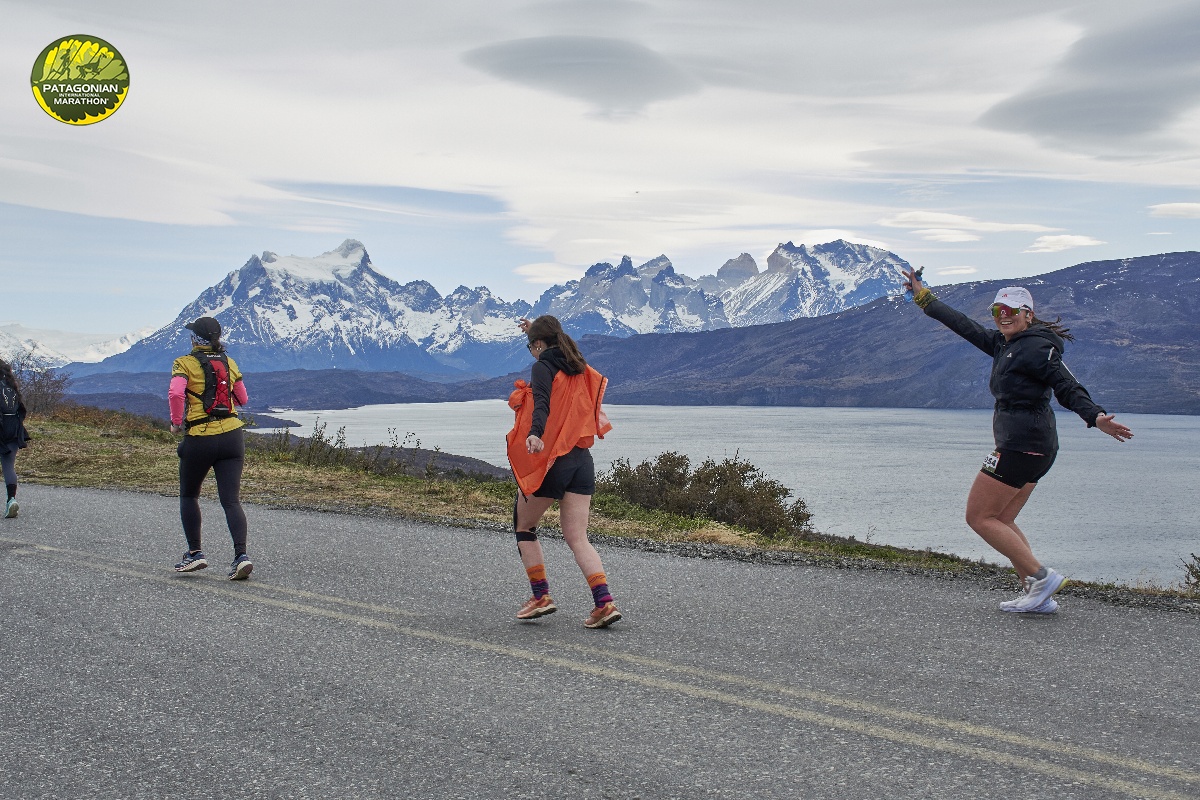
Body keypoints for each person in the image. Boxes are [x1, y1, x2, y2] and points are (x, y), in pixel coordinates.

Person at [900, 269, 1133, 613]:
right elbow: (964, 325)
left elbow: (1066, 384)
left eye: (1011, 311)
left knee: (979, 517)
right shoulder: (1003, 344)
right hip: (1032, 445)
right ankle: (1037, 594)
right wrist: (924, 298)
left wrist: (1095, 416)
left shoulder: (1038, 348)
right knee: (1003, 519)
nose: (1003, 317)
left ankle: (1041, 576)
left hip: (1022, 445)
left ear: (1028, 314)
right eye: (998, 311)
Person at [505, 315, 621, 628]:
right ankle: (604, 603)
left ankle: (541, 596)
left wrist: (535, 433)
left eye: (532, 347)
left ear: (539, 345)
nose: (532, 352)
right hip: (582, 460)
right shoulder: (578, 365)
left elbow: (542, 402)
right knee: (578, 537)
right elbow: (553, 347)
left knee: (524, 526)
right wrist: (535, 332)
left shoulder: (543, 366)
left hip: (554, 459)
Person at [168, 316, 254, 580]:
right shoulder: (229, 362)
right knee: (231, 500)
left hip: (200, 437)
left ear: (195, 339)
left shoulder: (184, 363)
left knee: (189, 495)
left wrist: (176, 423)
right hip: (232, 436)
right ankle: (241, 556)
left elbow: (176, 393)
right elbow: (242, 398)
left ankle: (195, 553)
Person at [0, 359, 30, 519]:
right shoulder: (13, 388)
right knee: (8, 467)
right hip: (14, 429)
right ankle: (11, 500)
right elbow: (21, 411)